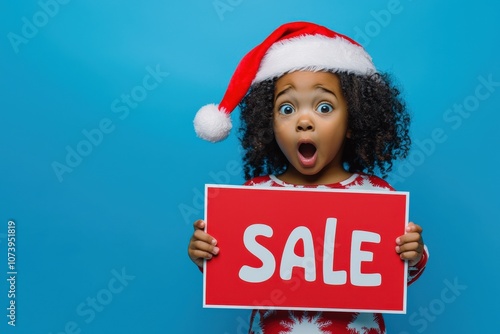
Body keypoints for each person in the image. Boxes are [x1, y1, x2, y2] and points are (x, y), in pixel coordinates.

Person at [188, 21, 428, 333]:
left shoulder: (377, 195)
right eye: (286, 109)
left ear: (354, 118)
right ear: (268, 123)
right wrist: (204, 253)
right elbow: (235, 271)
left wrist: (413, 254)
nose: (304, 121)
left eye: (324, 106)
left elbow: (396, 277)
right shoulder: (253, 197)